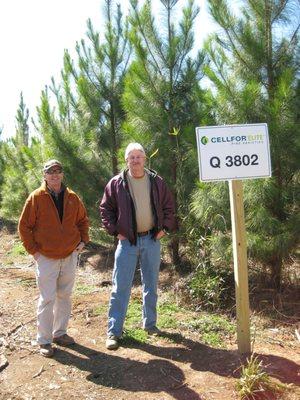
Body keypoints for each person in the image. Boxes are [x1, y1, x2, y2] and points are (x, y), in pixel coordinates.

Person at [100, 143, 176, 350]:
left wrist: (165, 228)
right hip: (127, 242)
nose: (135, 160)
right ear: (126, 160)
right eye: (131, 157)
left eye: (139, 156)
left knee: (151, 285)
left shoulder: (156, 181)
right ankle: (114, 332)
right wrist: (117, 232)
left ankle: (150, 324)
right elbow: (105, 210)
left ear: (145, 159)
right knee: (120, 287)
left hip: (152, 239)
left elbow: (169, 206)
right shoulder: (116, 183)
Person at [18, 159, 89, 357]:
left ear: (62, 174)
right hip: (46, 257)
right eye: (51, 172)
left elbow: (83, 221)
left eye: (58, 171)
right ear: (45, 175)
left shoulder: (73, 197)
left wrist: (83, 241)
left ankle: (60, 333)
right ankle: (44, 340)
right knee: (47, 298)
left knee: (64, 296)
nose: (55, 175)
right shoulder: (36, 198)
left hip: (69, 255)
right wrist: (34, 252)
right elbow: (24, 227)